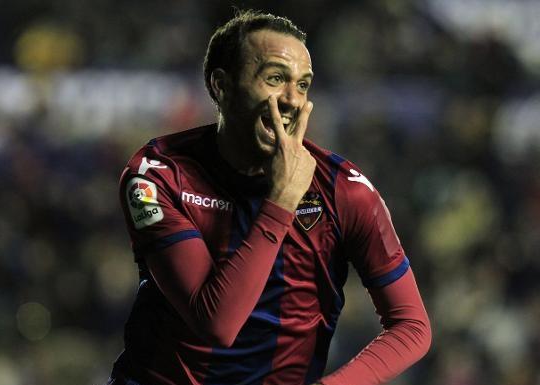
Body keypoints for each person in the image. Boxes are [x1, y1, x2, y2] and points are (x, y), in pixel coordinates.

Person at [106, 10, 431, 385]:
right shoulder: (159, 175)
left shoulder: (345, 190)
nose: (292, 100)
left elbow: (411, 325)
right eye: (275, 78)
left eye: (304, 85)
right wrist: (280, 203)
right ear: (221, 86)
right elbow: (217, 323)